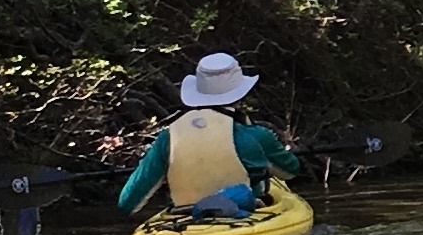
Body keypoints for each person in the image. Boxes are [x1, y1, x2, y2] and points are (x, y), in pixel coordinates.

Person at [120, 51, 304, 223]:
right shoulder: (255, 135)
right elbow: (291, 170)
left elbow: (127, 203)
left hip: (186, 218)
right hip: (246, 216)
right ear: (240, 95)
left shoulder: (167, 138)